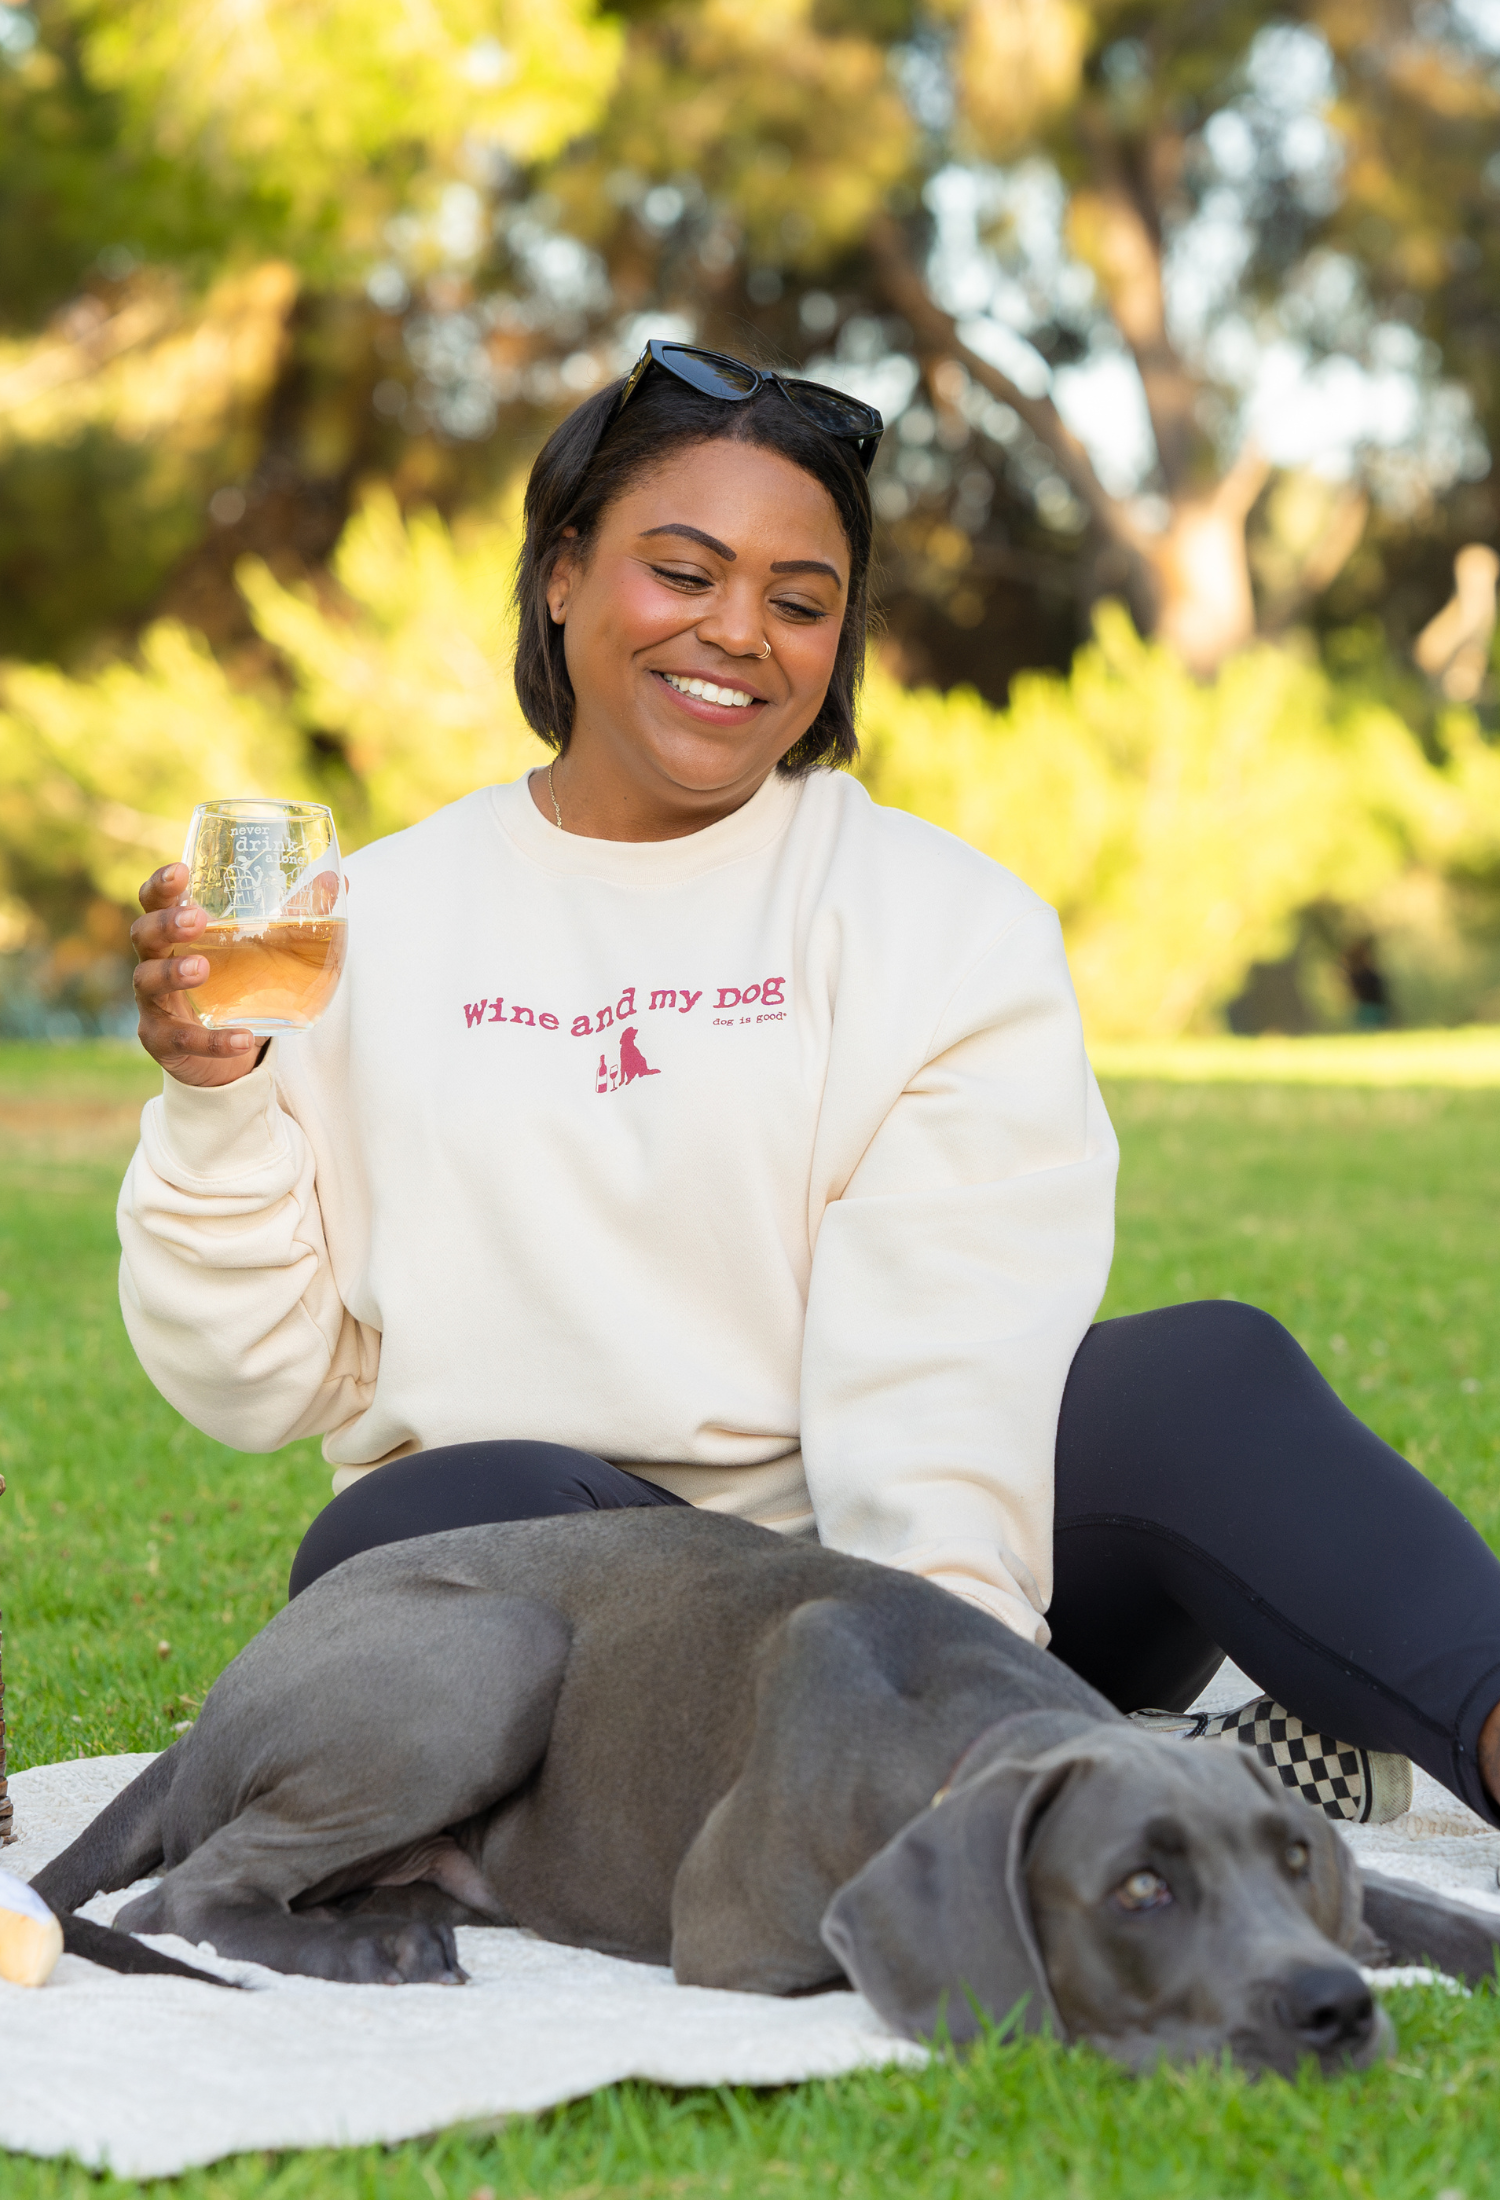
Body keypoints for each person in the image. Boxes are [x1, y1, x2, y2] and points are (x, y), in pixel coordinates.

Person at [122, 340, 1500, 1831]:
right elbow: (261, 1381)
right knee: (416, 1529)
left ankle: (1054, 1756)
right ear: (562, 573)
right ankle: (1123, 1768)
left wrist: (925, 1682)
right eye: (683, 572)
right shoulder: (364, 921)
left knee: (1203, 1382)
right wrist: (218, 1099)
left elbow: (948, 1348)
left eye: (799, 602)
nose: (738, 634)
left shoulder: (940, 919)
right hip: (580, 1600)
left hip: (907, 1571)